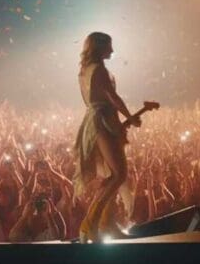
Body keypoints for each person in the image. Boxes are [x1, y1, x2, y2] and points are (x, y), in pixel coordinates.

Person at [73, 32, 141, 243]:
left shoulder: (85, 69)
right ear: (99, 47)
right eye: (109, 47)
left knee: (114, 174)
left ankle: (107, 223)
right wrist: (129, 116)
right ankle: (91, 222)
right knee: (119, 174)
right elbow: (113, 97)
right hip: (103, 121)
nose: (112, 50)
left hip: (97, 119)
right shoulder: (100, 70)